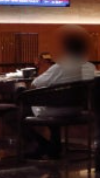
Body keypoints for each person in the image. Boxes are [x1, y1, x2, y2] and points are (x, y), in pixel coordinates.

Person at [28, 25, 96, 159]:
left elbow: (35, 84)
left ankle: (43, 145)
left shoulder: (58, 67)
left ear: (66, 49)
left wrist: (44, 68)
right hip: (77, 109)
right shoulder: (90, 67)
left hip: (55, 110)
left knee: (16, 114)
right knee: (54, 104)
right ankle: (54, 147)